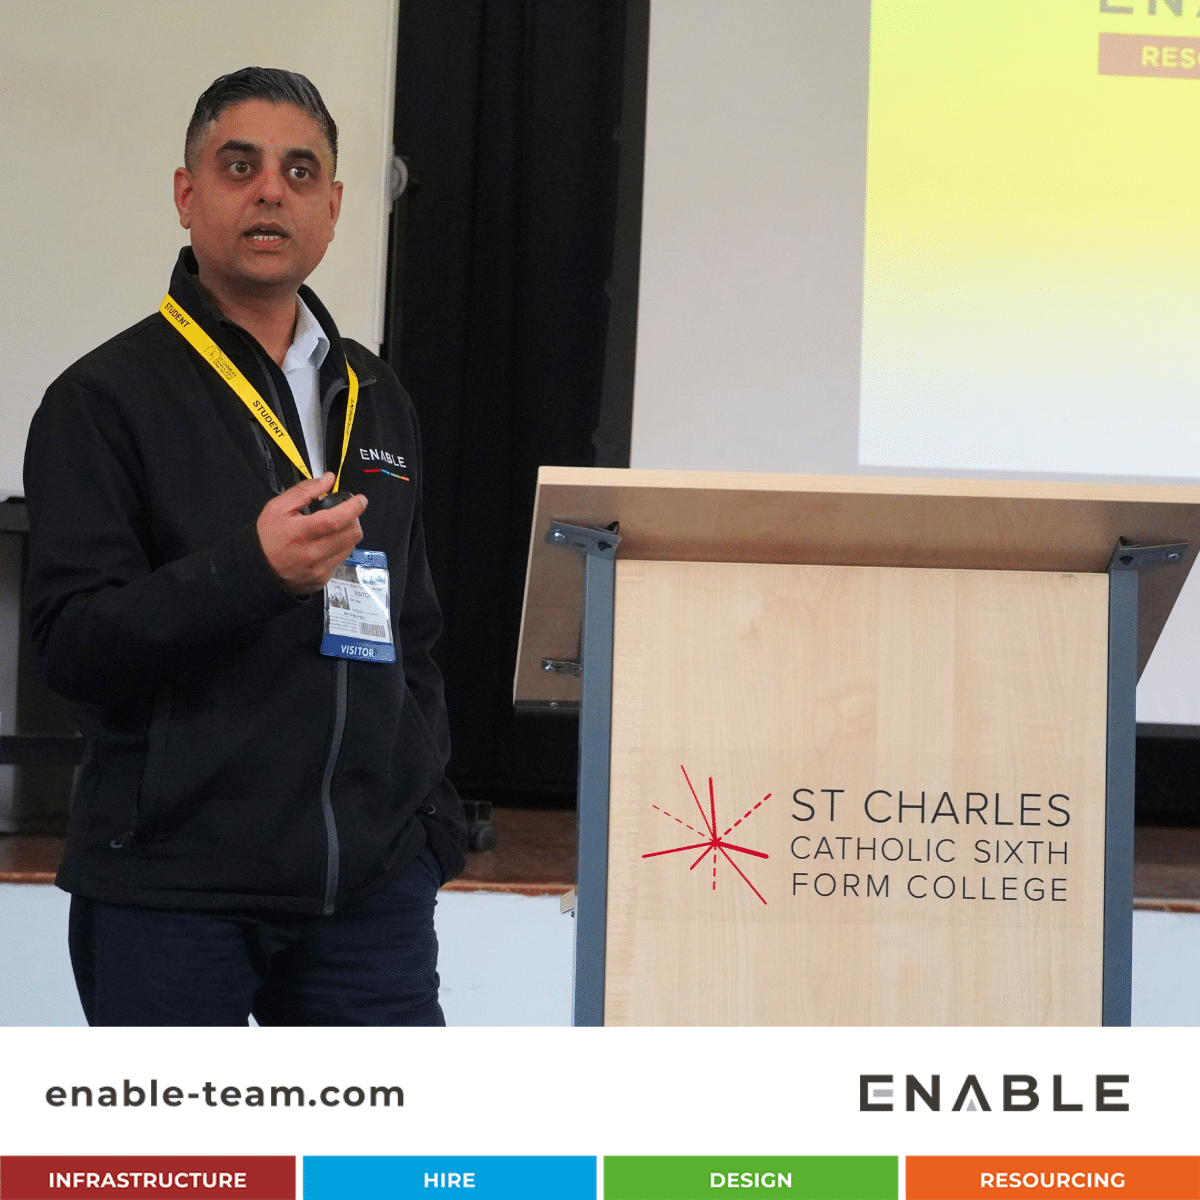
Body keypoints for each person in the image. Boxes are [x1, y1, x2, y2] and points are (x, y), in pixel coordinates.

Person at [22, 67, 466, 1026]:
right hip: (173, 898)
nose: (272, 191)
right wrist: (250, 574)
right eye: (240, 167)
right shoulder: (101, 400)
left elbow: (413, 630)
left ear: (333, 209)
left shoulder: (377, 395)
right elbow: (72, 644)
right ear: (188, 195)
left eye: (300, 172)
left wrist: (423, 823)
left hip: (368, 899)